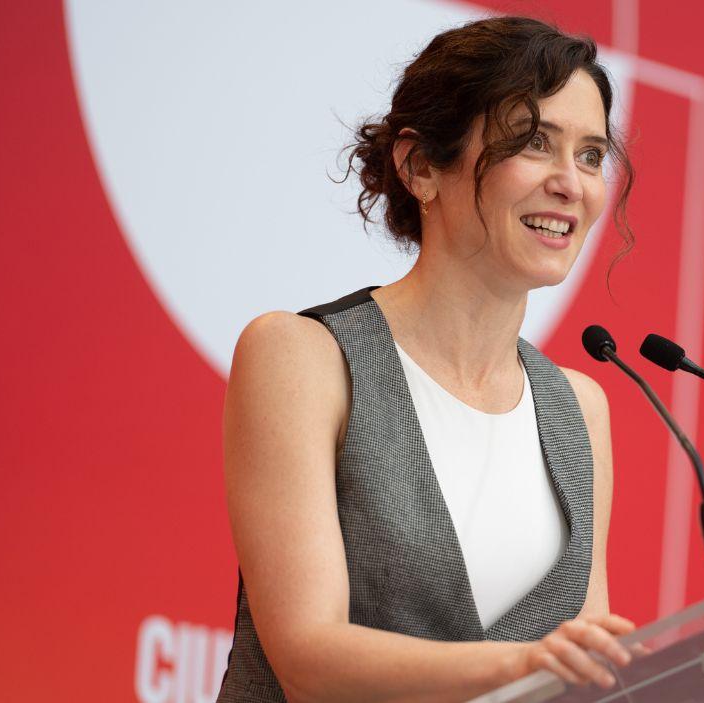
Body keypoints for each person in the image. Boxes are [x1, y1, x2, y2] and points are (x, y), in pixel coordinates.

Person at [217, 16, 637, 702]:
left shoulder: (580, 408)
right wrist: (521, 663)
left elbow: (584, 666)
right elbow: (307, 655)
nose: (572, 183)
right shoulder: (301, 356)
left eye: (591, 156)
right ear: (420, 166)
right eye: (535, 143)